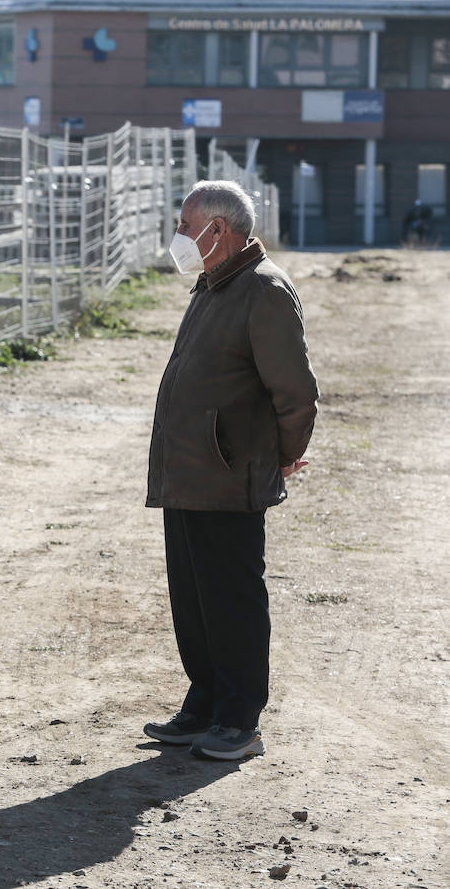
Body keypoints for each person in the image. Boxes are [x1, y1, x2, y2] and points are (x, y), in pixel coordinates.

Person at [142, 180, 319, 761]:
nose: (179, 234)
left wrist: (285, 453)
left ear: (219, 230)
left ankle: (240, 719)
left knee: (231, 598)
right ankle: (205, 702)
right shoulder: (215, 283)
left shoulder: (263, 290)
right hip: (187, 472)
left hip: (227, 474)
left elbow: (294, 391)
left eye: (185, 223)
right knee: (192, 596)